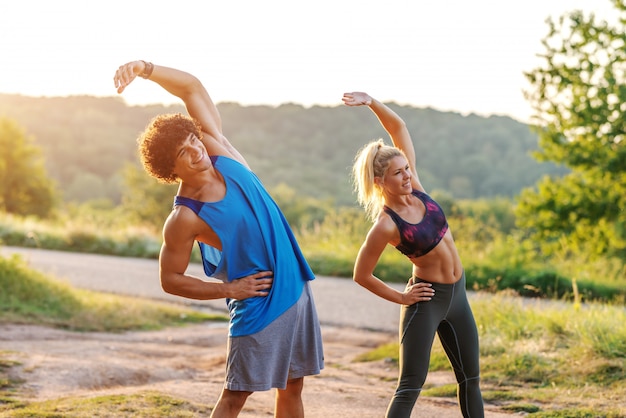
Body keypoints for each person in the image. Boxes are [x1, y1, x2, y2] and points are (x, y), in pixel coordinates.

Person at [113, 60, 324, 418]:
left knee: (292, 388)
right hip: (259, 305)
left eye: (192, 139)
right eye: (183, 152)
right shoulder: (185, 217)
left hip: (297, 288)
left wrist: (146, 68)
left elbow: (191, 88)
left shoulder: (218, 149)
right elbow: (170, 280)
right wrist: (229, 290)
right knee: (234, 397)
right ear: (170, 169)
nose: (196, 151)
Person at [343, 92, 484, 418]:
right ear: (380, 182)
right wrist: (401, 298)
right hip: (427, 300)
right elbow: (361, 274)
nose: (407, 175)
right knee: (410, 386)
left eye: (407, 168)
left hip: (458, 294)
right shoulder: (386, 226)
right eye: (398, 173)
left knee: (471, 379)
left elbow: (399, 127)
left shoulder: (417, 188)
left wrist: (371, 102)